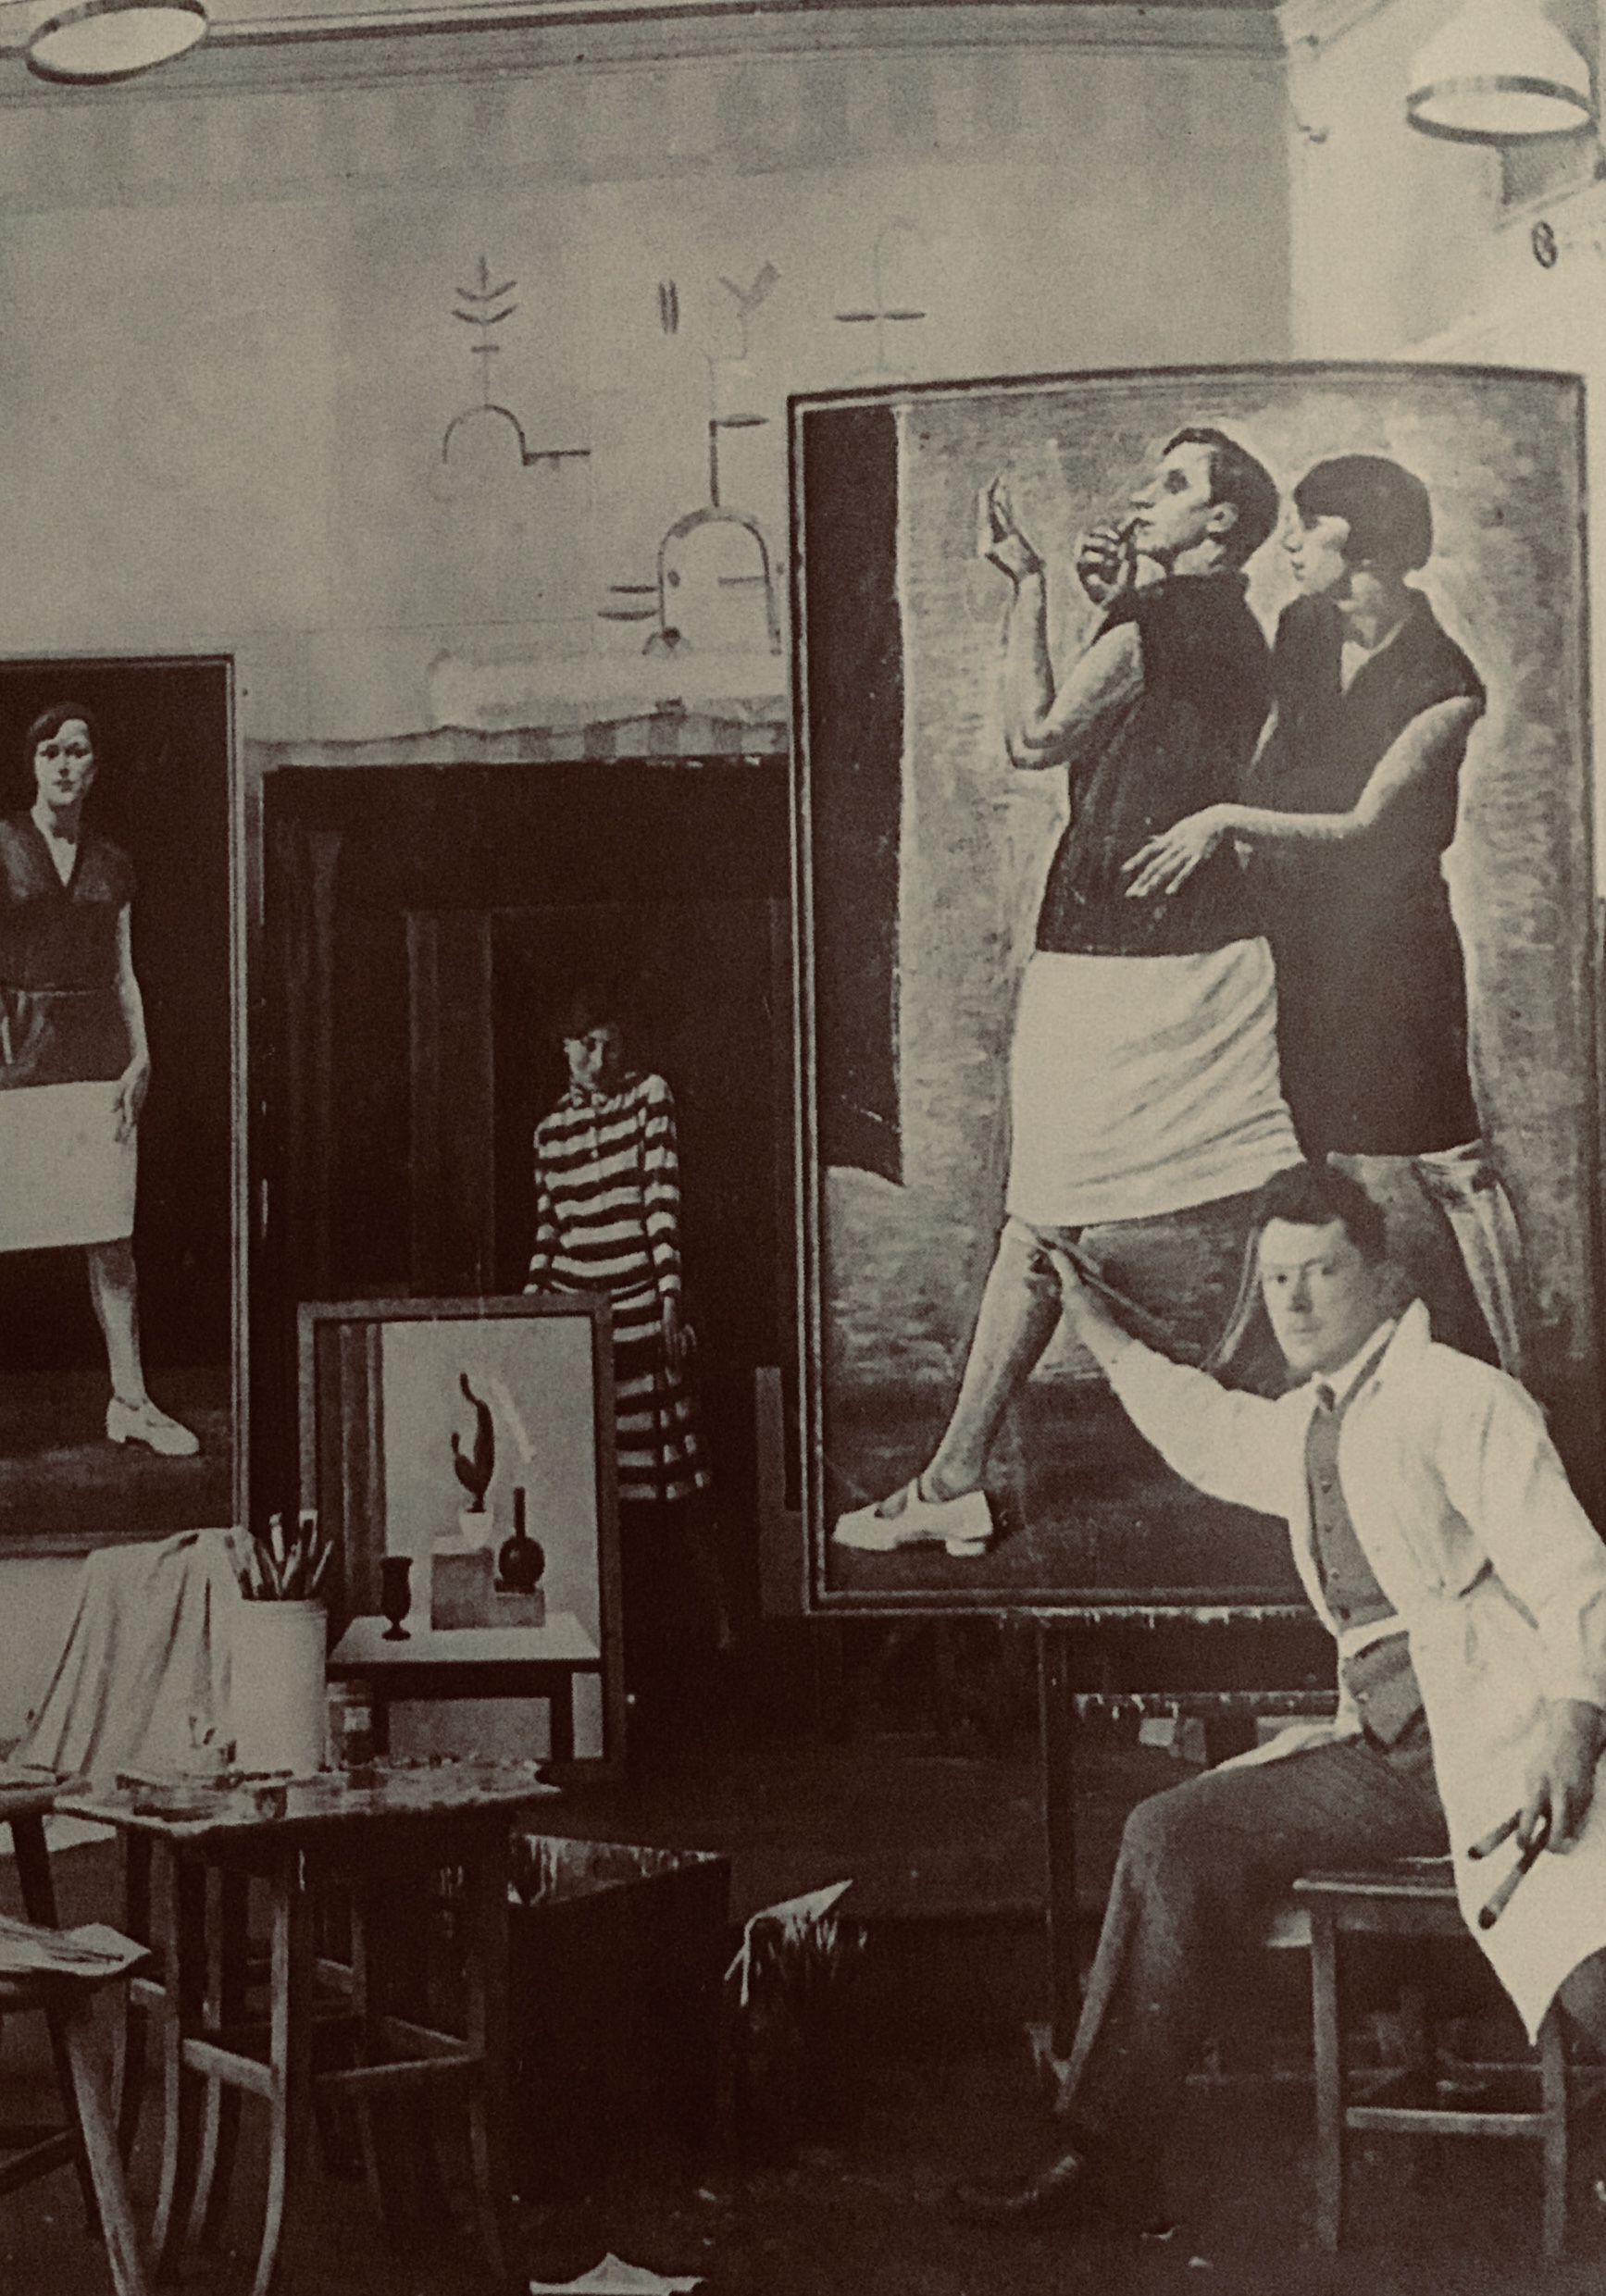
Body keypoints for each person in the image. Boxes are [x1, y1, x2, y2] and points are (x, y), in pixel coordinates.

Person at [957, 1160, 1606, 2234]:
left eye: (1321, 1272)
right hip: (1389, 1767)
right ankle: (1105, 2156)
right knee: (1173, 1835)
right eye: (1276, 1280)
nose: (1295, 1301)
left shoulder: (1461, 1397)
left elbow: (1574, 1570)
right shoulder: (1308, 1424)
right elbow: (1203, 1427)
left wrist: (1572, 1725)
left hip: (1505, 1744)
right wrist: (1099, 1330)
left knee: (1588, 1969)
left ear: (1382, 1277)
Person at [835, 428, 1301, 1557]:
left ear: (1224, 521)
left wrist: (1027, 588)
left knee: (1044, 1222)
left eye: (1173, 484)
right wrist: (1115, 602)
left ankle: (954, 1478)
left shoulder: (1163, 618)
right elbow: (1154, 742)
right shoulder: (1228, 624)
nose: (1145, 494)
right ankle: (1296, 1432)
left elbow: (1034, 739)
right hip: (1204, 952)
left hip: (1112, 958)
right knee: (1255, 1182)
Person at [1122, 453, 1528, 1375]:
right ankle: (1275, 1361)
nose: (1290, 545)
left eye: (1311, 529)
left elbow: (1360, 826)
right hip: (1297, 936)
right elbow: (1263, 756)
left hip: (1394, 947)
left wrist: (1222, 819)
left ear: (1372, 553)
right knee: (1303, 1150)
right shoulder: (1301, 626)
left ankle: (1526, 1380)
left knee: (1450, 1165)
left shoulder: (1445, 682)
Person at [523, 988, 722, 1744]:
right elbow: (549, 1232)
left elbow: (660, 1197)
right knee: (596, 1500)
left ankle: (713, 1649)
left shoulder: (649, 1097)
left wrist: (670, 1296)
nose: (595, 1057)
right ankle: (613, 1675)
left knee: (673, 1490)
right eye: (582, 1043)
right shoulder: (549, 1131)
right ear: (562, 1047)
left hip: (643, 1317)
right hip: (580, 1330)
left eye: (607, 1042)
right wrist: (530, 1318)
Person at [0, 704, 197, 1457]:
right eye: (49, 750)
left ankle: (131, 1401)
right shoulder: (2, 846)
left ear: (95, 765)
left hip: (98, 1068)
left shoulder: (113, 863)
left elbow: (123, 971)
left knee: (111, 1242)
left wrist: (142, 1057)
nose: (63, 763)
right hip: (15, 1065)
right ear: (32, 763)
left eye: (77, 750)